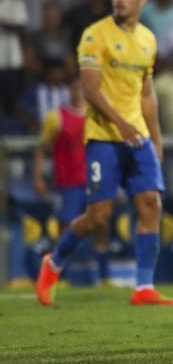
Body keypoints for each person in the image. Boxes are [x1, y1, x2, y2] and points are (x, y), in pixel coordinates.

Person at [35, 0, 173, 307]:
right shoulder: (94, 35)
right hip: (103, 137)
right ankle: (53, 264)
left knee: (151, 204)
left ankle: (143, 287)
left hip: (138, 137)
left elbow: (146, 95)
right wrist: (121, 123)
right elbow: (90, 89)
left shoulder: (147, 39)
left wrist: (155, 138)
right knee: (98, 216)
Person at [33, 75, 111, 284]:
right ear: (69, 90)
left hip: (94, 180)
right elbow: (42, 149)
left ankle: (104, 276)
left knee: (101, 224)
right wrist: (38, 177)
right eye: (74, 87)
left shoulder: (97, 116)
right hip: (68, 182)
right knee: (66, 227)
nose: (78, 91)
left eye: (82, 87)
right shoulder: (56, 117)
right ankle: (60, 275)